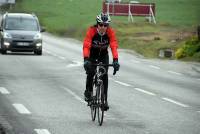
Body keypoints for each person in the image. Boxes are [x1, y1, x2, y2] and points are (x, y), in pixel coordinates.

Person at [82, 12, 120, 111]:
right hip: (92, 54)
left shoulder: (110, 32)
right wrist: (86, 59)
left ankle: (104, 100)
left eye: (105, 25)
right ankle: (88, 92)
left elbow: (114, 46)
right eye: (101, 25)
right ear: (97, 24)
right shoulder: (91, 31)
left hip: (103, 55)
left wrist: (115, 60)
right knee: (91, 72)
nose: (103, 27)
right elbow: (86, 46)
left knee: (104, 75)